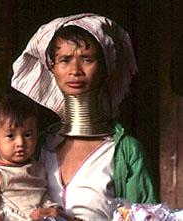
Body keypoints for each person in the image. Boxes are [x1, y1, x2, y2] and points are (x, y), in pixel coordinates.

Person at [11, 13, 158, 220]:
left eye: (87, 59)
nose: (75, 71)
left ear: (105, 67)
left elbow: (148, 216)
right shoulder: (34, 145)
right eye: (65, 60)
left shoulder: (125, 152)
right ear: (52, 68)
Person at [0, 95, 65, 221]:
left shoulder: (39, 168)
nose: (20, 142)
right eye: (11, 136)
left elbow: (45, 200)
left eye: (28, 135)